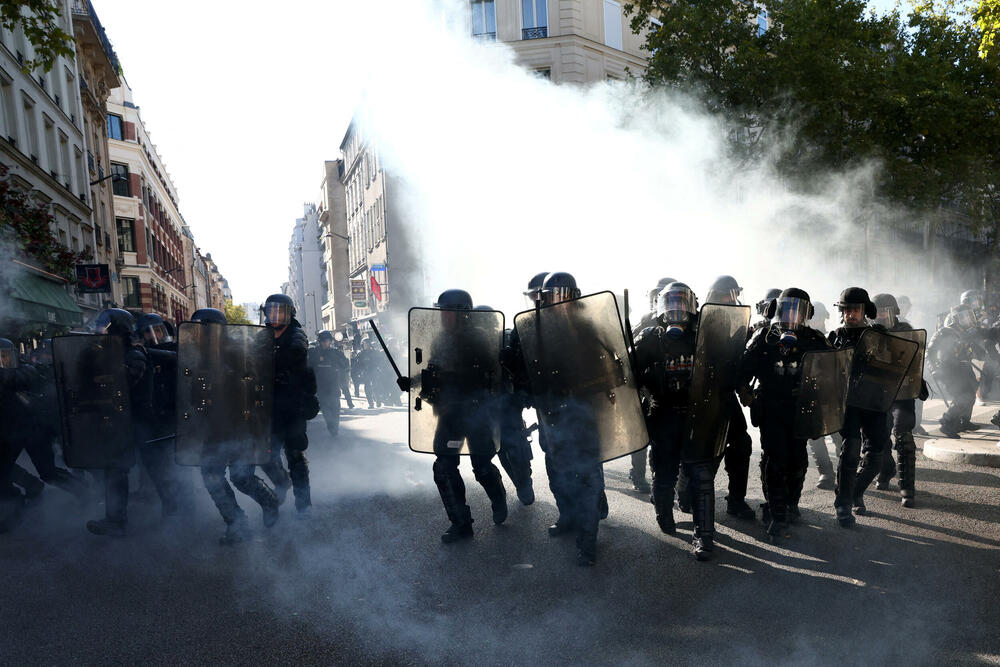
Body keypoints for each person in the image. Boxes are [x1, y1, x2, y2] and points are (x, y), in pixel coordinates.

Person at [397, 289, 508, 544]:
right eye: (442, 312)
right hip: (450, 415)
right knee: (445, 467)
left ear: (462, 314)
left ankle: (498, 495)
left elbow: (494, 376)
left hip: (476, 414)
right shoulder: (440, 341)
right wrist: (412, 381)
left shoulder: (479, 340)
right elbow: (432, 371)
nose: (444, 317)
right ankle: (460, 523)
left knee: (481, 467)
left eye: (448, 312)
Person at [634, 281, 718, 560]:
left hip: (696, 416)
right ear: (661, 308)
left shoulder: (704, 335)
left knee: (702, 477)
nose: (677, 310)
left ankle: (704, 537)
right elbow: (629, 373)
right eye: (671, 304)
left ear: (692, 307)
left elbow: (722, 368)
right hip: (663, 414)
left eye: (682, 304)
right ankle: (664, 515)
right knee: (665, 473)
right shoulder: (649, 338)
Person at [738, 288, 831, 539]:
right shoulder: (763, 337)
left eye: (797, 310)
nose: (791, 315)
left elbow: (833, 373)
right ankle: (777, 514)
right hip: (771, 407)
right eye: (786, 308)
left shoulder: (814, 339)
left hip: (801, 409)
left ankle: (791, 504)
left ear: (806, 314)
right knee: (776, 459)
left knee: (798, 460)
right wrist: (745, 392)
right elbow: (742, 370)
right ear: (777, 310)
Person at [86, 309, 180, 536]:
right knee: (116, 470)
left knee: (157, 470)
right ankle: (115, 521)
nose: (100, 332)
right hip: (125, 423)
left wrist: (101, 379)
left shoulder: (135, 354)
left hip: (143, 423)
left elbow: (125, 381)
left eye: (104, 328)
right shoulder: (114, 352)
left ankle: (176, 512)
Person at [189, 308, 280, 544]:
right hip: (214, 429)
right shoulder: (200, 355)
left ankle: (269, 501)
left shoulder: (236, 353)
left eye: (204, 329)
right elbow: (196, 392)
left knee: (241, 478)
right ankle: (237, 525)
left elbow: (252, 389)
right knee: (211, 476)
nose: (199, 334)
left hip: (240, 427)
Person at [827, 288, 891, 526]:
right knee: (851, 449)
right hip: (849, 404)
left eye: (855, 309)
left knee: (877, 456)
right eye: (846, 309)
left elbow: (895, 364)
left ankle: (855, 491)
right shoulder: (834, 337)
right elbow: (823, 369)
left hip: (874, 402)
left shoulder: (878, 335)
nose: (850, 314)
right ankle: (843, 505)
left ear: (865, 311)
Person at [258, 294, 317, 517]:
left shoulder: (296, 335)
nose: (275, 317)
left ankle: (304, 505)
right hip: (268, 408)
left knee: (295, 456)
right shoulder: (262, 336)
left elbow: (297, 355)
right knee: (265, 455)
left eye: (279, 312)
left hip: (293, 406)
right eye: (271, 312)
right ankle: (282, 483)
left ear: (289, 314)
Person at [871, 294, 928, 508]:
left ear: (894, 311)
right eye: (877, 312)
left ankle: (907, 488)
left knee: (903, 434)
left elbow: (917, 357)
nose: (882, 316)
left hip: (902, 394)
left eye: (885, 311)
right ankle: (885, 471)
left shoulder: (906, 329)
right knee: (878, 435)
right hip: (877, 394)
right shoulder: (870, 333)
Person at [928, 304, 979, 438]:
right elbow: (930, 351)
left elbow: (973, 351)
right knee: (963, 396)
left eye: (969, 315)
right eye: (964, 316)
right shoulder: (945, 332)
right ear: (956, 318)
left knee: (971, 394)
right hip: (950, 369)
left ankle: (964, 421)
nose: (968, 319)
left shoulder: (966, 333)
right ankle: (947, 423)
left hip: (964, 367)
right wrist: (934, 369)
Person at [310, 331, 344, 437]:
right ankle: (331, 427)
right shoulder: (313, 353)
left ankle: (335, 430)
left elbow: (345, 365)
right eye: (323, 341)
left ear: (330, 341)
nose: (325, 343)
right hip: (321, 388)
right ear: (319, 341)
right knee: (326, 410)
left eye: (327, 341)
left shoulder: (336, 353)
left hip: (333, 387)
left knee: (335, 410)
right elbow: (307, 368)